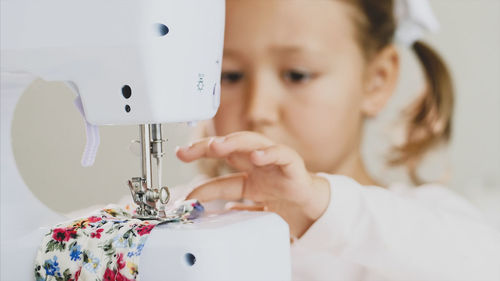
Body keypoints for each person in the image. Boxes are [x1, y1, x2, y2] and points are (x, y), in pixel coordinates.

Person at [175, 0, 500, 280]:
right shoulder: (183, 218)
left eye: (297, 75)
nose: (257, 109)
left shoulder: (426, 227)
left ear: (377, 80)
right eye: (229, 75)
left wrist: (325, 210)